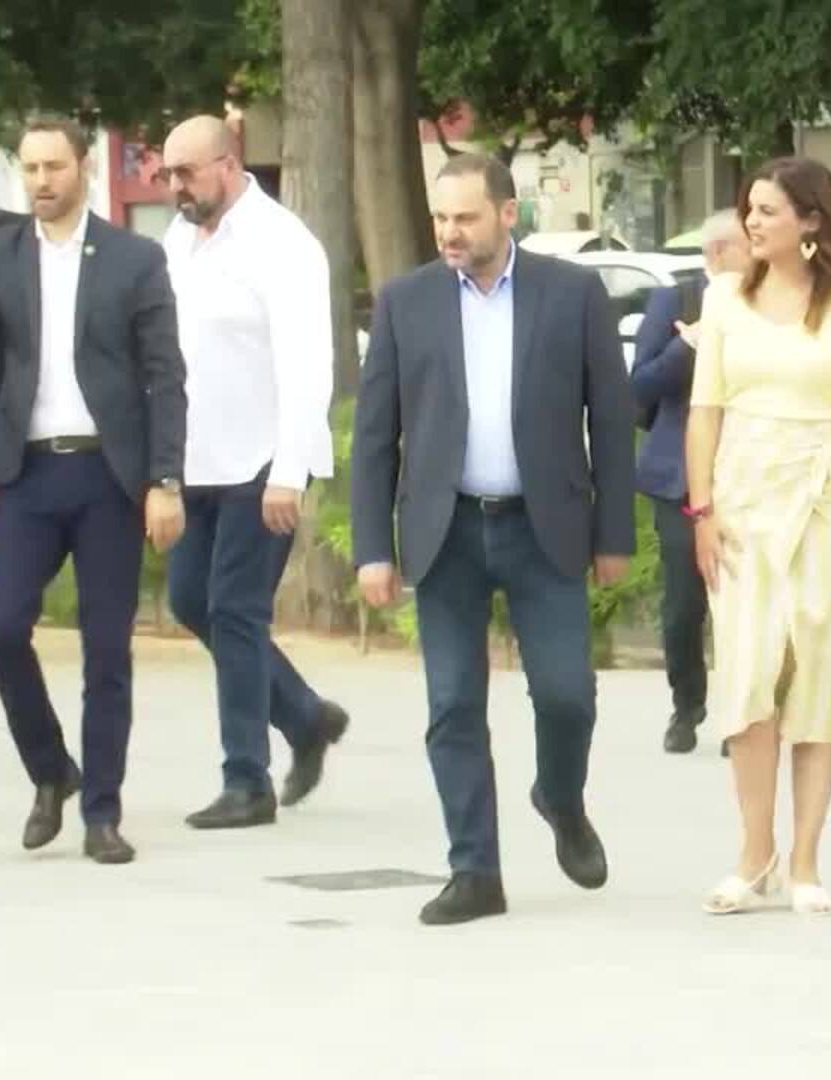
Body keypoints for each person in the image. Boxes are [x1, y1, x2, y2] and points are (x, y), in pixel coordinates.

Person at [351, 153, 635, 926]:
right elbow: (375, 436)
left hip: (544, 527)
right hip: (445, 531)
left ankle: (561, 797)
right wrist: (373, 547)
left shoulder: (571, 295)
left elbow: (611, 421)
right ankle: (474, 871)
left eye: (466, 218)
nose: (450, 232)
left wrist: (613, 532)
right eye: (441, 218)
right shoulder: (406, 302)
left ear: (508, 214)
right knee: (452, 704)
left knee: (568, 695)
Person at [0, 116, 188, 866]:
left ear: (83, 168)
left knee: (106, 650)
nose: (40, 181)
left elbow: (165, 377)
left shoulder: (134, 258)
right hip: (25, 475)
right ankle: (52, 769)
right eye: (29, 168)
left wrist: (164, 480)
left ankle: (102, 812)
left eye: (53, 166)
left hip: (106, 477)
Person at [687, 157, 831, 916]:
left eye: (768, 211)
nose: (752, 222)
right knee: (747, 677)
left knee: (819, 678)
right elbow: (704, 413)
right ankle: (756, 853)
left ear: (810, 220)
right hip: (741, 503)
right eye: (748, 209)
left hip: (826, 501)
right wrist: (701, 510)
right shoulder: (722, 299)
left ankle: (806, 859)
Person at [157, 115, 349, 828]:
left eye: (187, 172)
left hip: (263, 459)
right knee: (190, 600)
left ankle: (247, 780)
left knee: (235, 610)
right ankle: (304, 716)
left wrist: (289, 471)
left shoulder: (282, 244)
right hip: (195, 458)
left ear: (229, 164)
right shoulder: (178, 240)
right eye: (169, 175)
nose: (176, 187)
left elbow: (307, 365)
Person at [631, 209, 751, 754]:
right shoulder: (674, 301)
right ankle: (687, 703)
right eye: (748, 244)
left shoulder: (767, 303)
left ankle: (740, 712)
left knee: (744, 606)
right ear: (720, 252)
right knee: (684, 605)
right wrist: (690, 345)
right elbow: (639, 387)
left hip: (747, 475)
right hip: (680, 479)